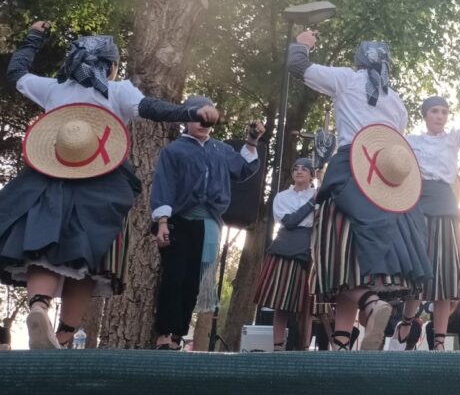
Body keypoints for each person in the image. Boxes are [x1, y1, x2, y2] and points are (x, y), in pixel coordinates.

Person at [0, 21, 222, 349]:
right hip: (101, 185)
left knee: (42, 250)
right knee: (90, 258)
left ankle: (39, 306)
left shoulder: (53, 89)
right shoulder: (116, 91)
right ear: (111, 66)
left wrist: (34, 37)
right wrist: (189, 111)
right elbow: (151, 108)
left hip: (49, 178)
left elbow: (16, 72)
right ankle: (63, 334)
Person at [289, 32, 432, 351]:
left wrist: (303, 41)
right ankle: (344, 343)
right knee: (361, 258)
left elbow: (297, 65)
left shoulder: (345, 79)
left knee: (339, 257)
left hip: (350, 169)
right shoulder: (397, 103)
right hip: (385, 181)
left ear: (358, 61)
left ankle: (369, 304)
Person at [150, 95, 263, 350]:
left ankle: (178, 335)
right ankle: (165, 333)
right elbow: (164, 186)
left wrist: (252, 140)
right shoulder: (174, 150)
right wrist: (163, 222)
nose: (202, 124)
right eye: (196, 117)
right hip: (179, 221)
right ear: (187, 118)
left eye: (207, 119)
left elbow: (244, 168)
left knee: (193, 281)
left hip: (208, 224)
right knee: (174, 277)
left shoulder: (221, 150)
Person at [395, 64, 460, 351]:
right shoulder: (410, 141)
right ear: (425, 116)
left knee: (445, 278)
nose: (440, 116)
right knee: (416, 271)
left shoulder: (454, 139)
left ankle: (438, 343)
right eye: (435, 111)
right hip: (417, 207)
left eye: (444, 111)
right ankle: (406, 323)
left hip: (447, 208)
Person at [252, 158, 319, 351]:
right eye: (295, 168)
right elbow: (289, 221)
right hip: (283, 249)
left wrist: (317, 199)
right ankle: (278, 347)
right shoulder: (282, 197)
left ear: (311, 174)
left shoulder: (318, 194)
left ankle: (304, 347)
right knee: (280, 303)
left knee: (307, 304)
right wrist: (312, 203)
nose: (299, 171)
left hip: (308, 249)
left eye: (304, 169)